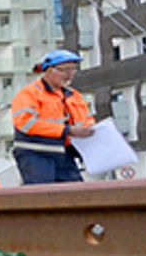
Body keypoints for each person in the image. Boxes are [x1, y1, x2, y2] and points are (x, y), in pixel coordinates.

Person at [11, 49, 95, 184]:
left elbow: (87, 120)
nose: (70, 75)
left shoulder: (74, 95)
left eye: (73, 69)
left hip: (65, 155)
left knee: (77, 196)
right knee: (43, 198)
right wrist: (67, 130)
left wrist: (90, 131)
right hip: (36, 156)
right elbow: (25, 122)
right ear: (49, 70)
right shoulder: (30, 94)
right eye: (65, 70)